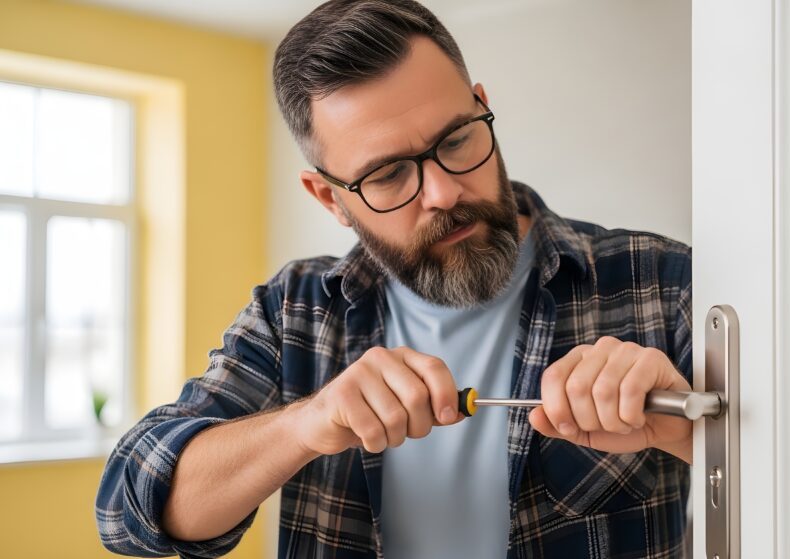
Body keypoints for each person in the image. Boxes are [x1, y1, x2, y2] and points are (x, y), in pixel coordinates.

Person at [95, 1, 694, 557]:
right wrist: (309, 422)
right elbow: (127, 510)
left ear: (483, 107)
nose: (443, 193)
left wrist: (682, 431)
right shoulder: (296, 310)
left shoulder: (658, 281)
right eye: (386, 176)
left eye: (457, 140)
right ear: (329, 197)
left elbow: (785, 467)